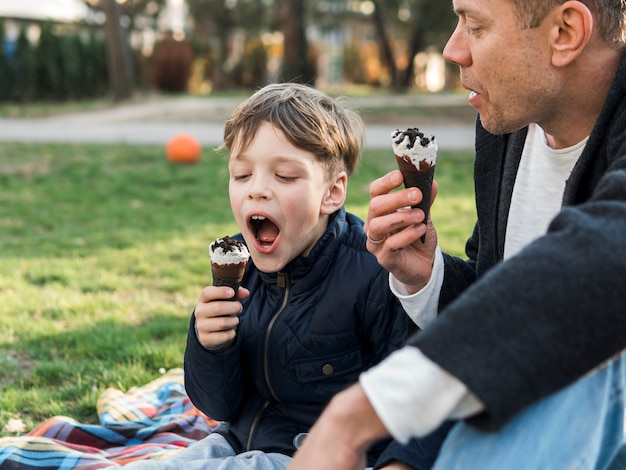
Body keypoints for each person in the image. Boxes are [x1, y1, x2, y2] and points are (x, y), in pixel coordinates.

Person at [288, 0, 626, 469]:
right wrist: (428, 277)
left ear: (565, 32)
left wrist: (362, 410)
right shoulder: (508, 124)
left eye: (476, 25)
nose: (452, 49)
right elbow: (503, 305)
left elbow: (599, 263)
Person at [125, 83, 450, 470]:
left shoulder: (374, 272)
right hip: (238, 440)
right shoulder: (239, 270)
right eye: (242, 174)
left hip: (318, 456)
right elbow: (218, 405)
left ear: (332, 192)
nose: (257, 191)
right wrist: (209, 344)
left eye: (284, 176)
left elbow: (416, 393)